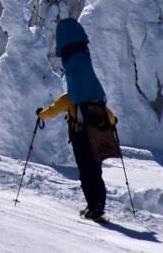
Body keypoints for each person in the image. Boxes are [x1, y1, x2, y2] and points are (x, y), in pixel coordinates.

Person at [36, 17, 118, 221]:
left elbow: (52, 110)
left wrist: (40, 114)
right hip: (97, 136)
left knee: (86, 173)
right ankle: (97, 206)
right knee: (95, 172)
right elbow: (112, 118)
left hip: (81, 138)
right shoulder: (94, 94)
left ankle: (94, 208)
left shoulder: (70, 97)